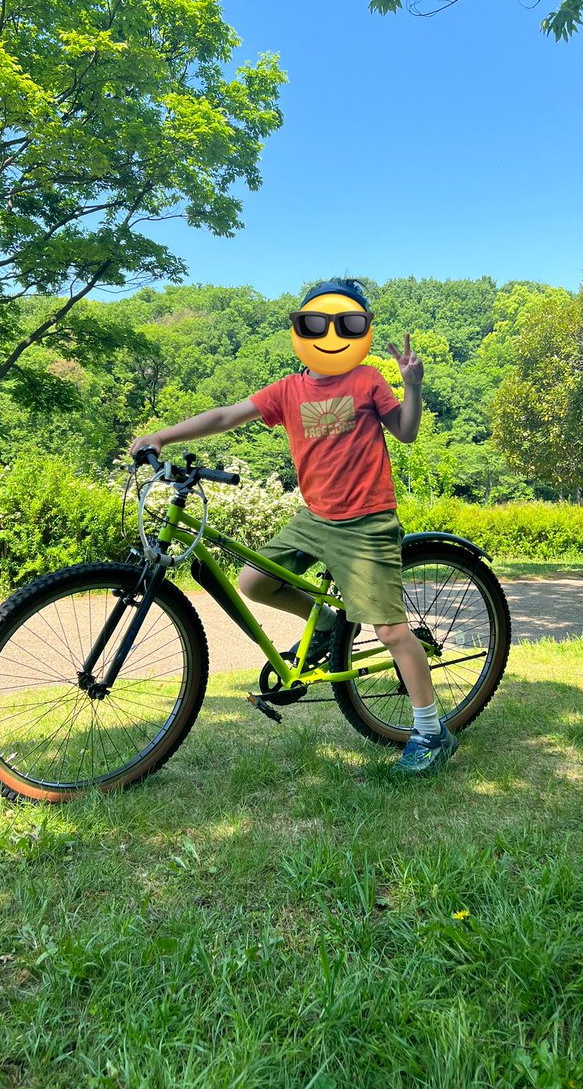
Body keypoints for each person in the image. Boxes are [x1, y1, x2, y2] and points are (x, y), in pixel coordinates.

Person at [129, 277, 457, 775]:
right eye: (316, 324)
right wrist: (161, 435)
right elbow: (223, 416)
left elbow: (406, 433)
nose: (330, 335)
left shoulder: (368, 380)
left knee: (390, 630)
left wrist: (413, 386)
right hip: (314, 519)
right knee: (254, 580)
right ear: (302, 330)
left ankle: (432, 731)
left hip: (367, 522)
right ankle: (327, 623)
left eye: (346, 324)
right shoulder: (288, 390)